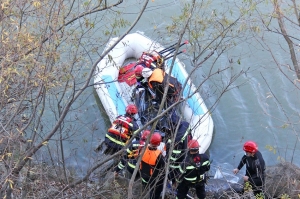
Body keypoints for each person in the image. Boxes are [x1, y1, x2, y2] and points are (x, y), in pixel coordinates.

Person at [140, 132, 165, 199]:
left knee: (145, 184)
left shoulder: (143, 149)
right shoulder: (158, 155)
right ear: (158, 143)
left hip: (143, 174)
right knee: (156, 191)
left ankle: (144, 190)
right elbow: (163, 167)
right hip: (152, 177)